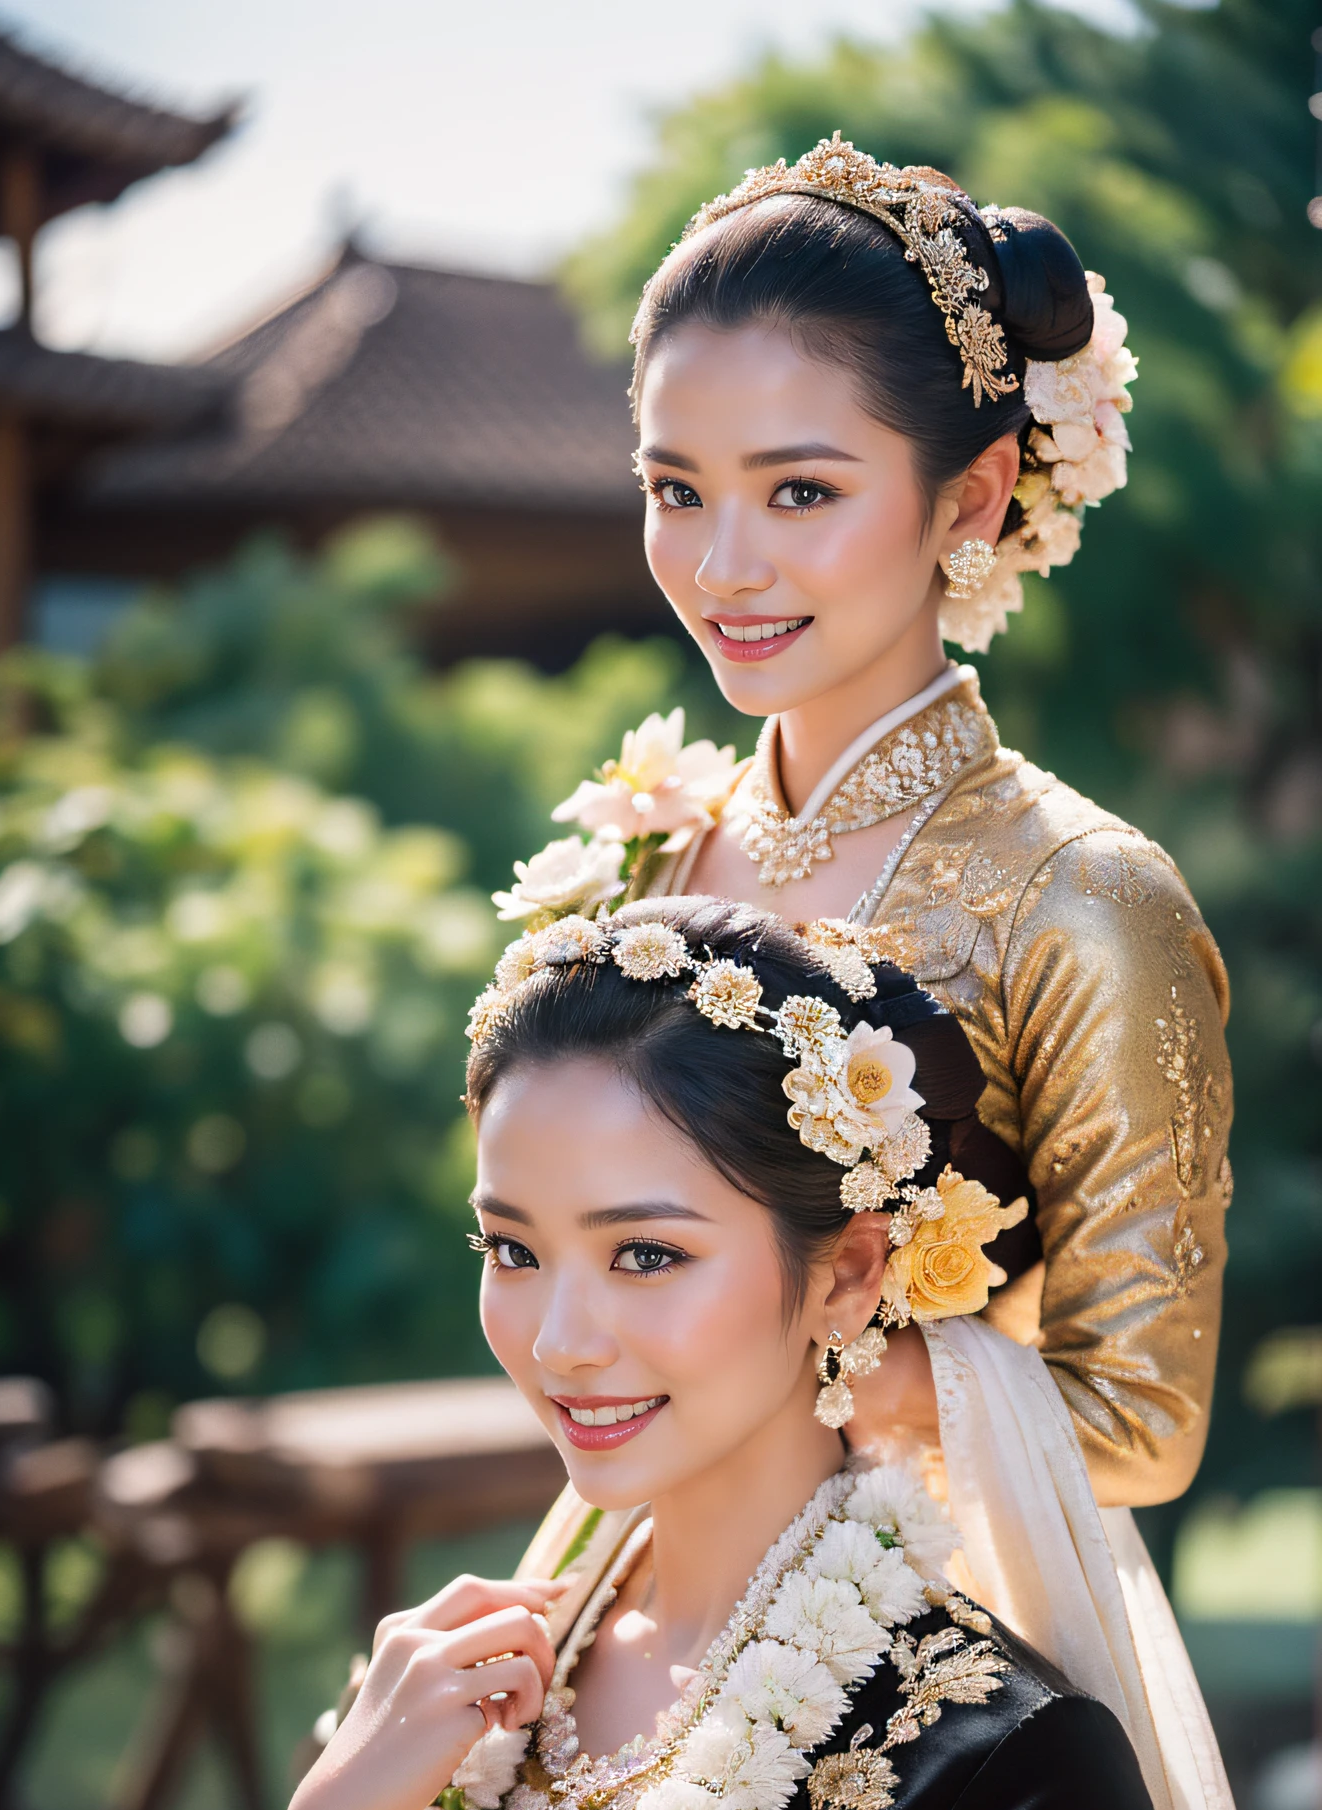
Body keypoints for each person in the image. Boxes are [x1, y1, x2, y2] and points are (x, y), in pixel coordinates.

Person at [204, 903, 1282, 1810]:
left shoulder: (1007, 1773)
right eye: (512, 1249)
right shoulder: (454, 1687)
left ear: (848, 1273)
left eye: (647, 1253)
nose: (561, 1339)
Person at [502, 136, 1232, 1515]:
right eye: (676, 491)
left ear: (967, 494)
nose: (722, 566)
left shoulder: (1083, 903)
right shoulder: (653, 847)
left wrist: (799, 1365)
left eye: (801, 492)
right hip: (627, 1578)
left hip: (914, 1635)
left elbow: (1144, 1427)